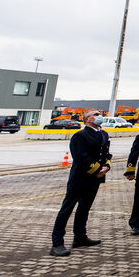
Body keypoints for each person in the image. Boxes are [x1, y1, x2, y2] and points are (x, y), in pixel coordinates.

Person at [50, 110, 112, 257]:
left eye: (99, 115)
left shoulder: (103, 134)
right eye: (95, 115)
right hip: (80, 178)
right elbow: (80, 157)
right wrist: (97, 169)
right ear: (87, 120)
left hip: (95, 178)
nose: (99, 117)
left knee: (84, 209)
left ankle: (80, 237)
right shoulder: (80, 136)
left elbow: (106, 154)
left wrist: (106, 167)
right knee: (67, 209)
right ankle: (57, 243)